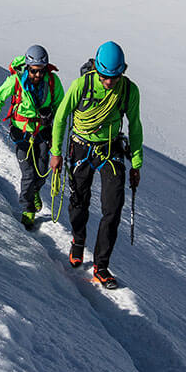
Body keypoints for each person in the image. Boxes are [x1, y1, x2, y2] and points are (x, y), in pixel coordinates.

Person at [50, 40, 143, 287]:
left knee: (113, 208)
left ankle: (101, 266)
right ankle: (78, 240)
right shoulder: (82, 85)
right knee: (78, 200)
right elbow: (61, 117)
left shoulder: (129, 91)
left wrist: (136, 163)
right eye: (105, 77)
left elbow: (135, 126)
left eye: (114, 77)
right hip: (81, 146)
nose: (109, 82)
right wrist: (55, 152)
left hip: (110, 149)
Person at [0, 44, 65, 229]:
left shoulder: (53, 82)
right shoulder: (15, 80)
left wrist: (55, 129)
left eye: (41, 71)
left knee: (42, 171)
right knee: (28, 173)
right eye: (34, 71)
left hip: (44, 133)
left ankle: (34, 191)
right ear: (28, 67)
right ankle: (28, 208)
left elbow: (61, 109)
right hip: (22, 133)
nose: (38, 75)